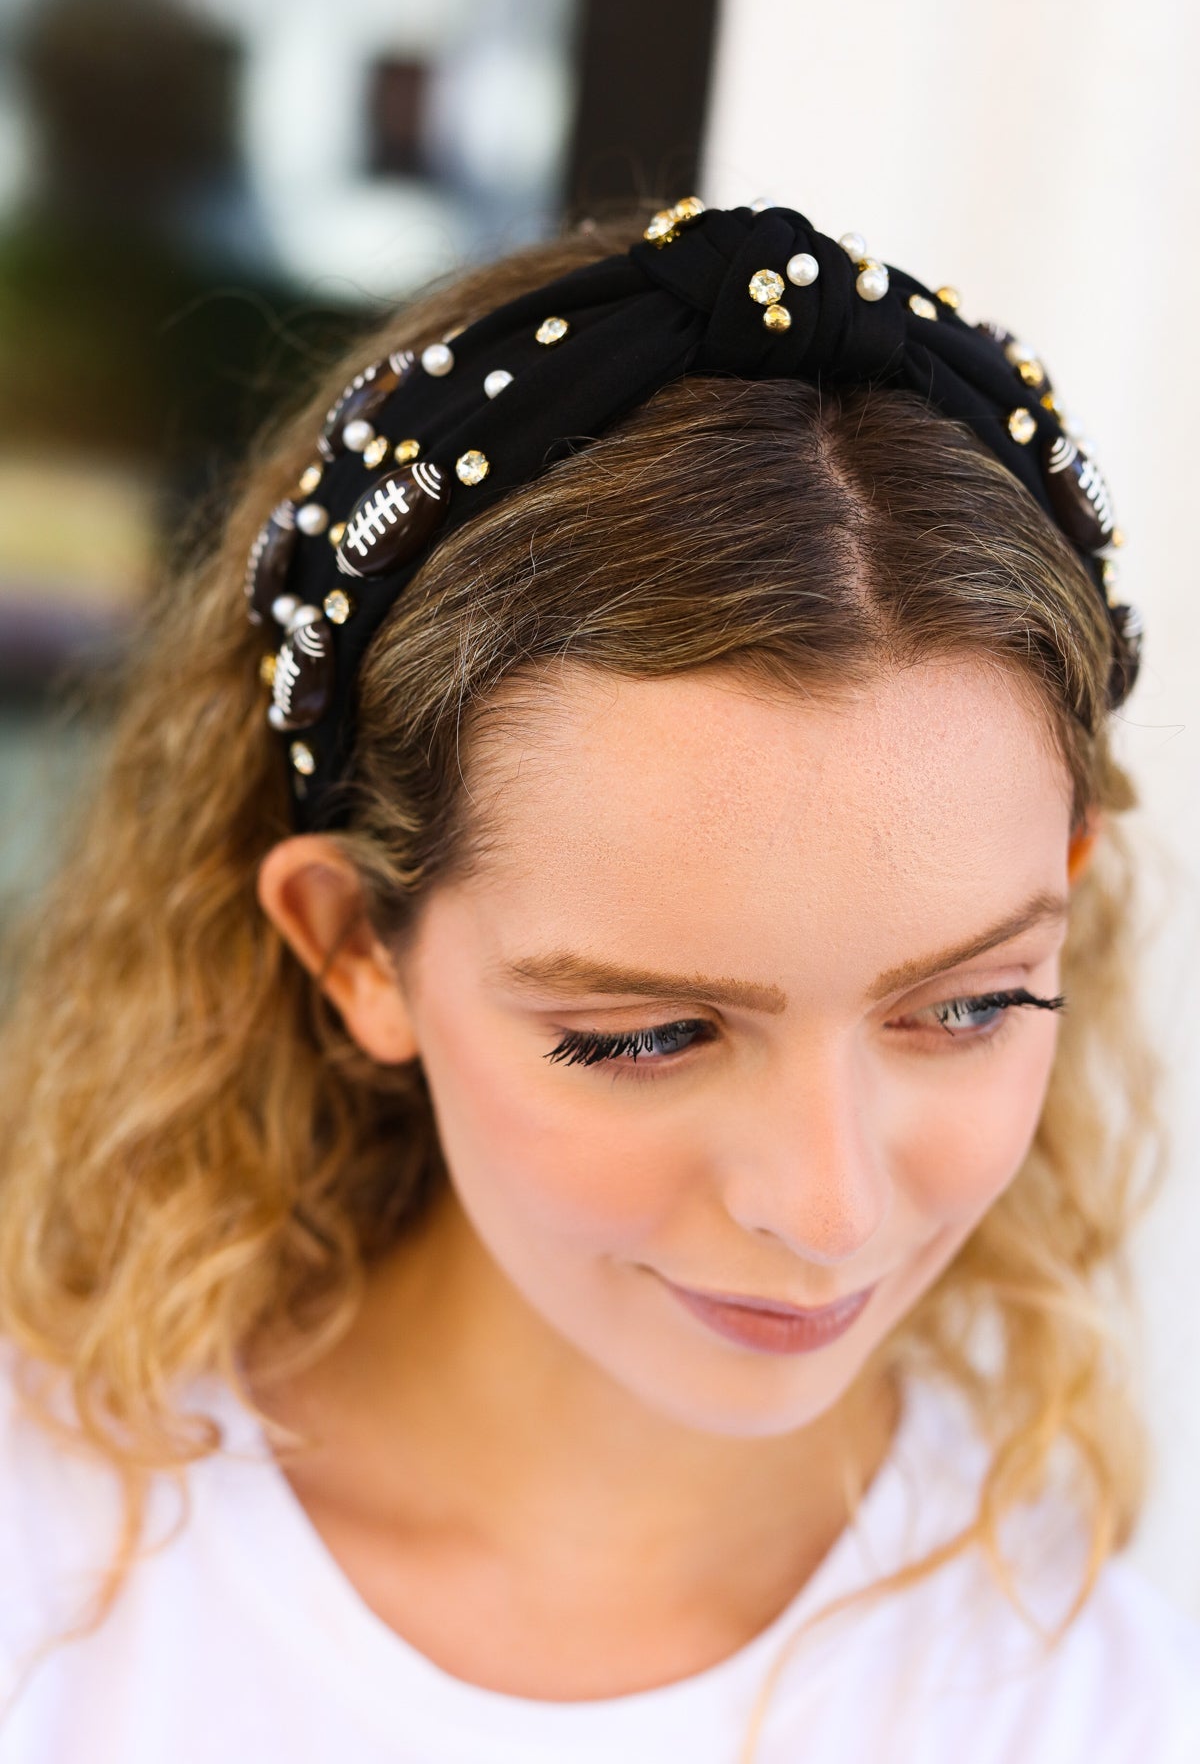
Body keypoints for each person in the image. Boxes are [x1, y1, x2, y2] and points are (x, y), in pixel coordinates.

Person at [0, 200, 1196, 1763]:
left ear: (1069, 898)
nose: (828, 1208)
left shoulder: (1084, 1683)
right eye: (650, 1034)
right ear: (356, 948)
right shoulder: (51, 1567)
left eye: (968, 1006)